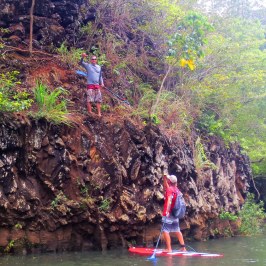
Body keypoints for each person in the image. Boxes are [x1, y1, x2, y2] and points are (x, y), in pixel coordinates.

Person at [162, 174, 186, 252]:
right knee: (177, 229)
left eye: (168, 180)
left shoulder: (170, 190)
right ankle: (183, 248)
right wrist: (165, 179)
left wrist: (167, 211)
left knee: (165, 230)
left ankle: (169, 249)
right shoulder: (176, 190)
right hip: (176, 213)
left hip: (169, 213)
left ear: (170, 181)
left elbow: (169, 200)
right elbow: (167, 187)